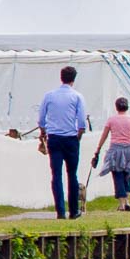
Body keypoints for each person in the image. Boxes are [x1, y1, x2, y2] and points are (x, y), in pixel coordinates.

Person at [37, 65, 88, 219]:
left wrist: (44, 132)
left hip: (54, 138)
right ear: (73, 79)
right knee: (72, 174)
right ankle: (73, 210)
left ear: (61, 77)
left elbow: (41, 119)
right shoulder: (77, 96)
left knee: (56, 174)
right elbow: (81, 122)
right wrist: (78, 135)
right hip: (71, 138)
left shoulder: (49, 96)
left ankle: (60, 210)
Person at [92, 97, 130, 211]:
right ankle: (127, 200)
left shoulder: (111, 120)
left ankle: (122, 204)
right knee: (128, 174)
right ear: (127, 107)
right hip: (129, 149)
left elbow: (104, 135)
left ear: (116, 107)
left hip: (115, 150)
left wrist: (98, 149)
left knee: (118, 176)